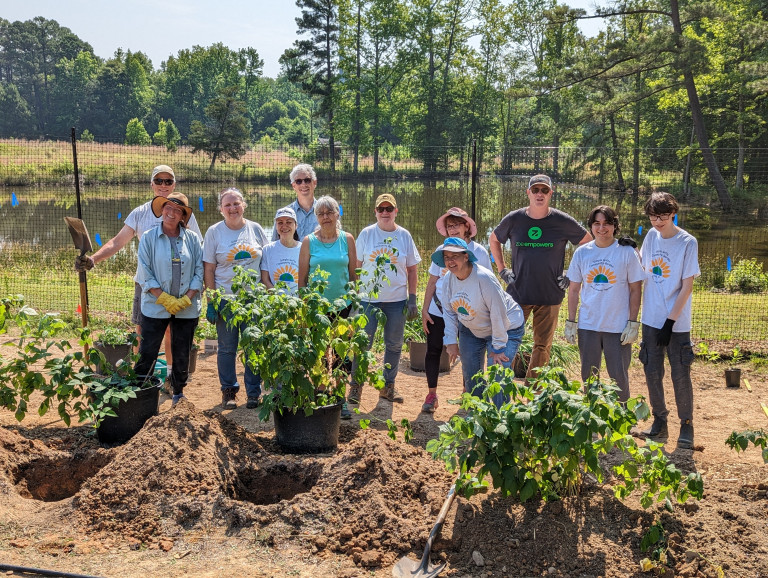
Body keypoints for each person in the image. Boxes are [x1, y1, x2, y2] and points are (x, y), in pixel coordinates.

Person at [74, 165, 202, 377]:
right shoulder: (140, 213)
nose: (163, 185)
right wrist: (93, 259)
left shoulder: (184, 213)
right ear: (151, 184)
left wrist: (197, 286)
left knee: (172, 329)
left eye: (168, 181)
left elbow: (197, 247)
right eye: (159, 181)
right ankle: (141, 374)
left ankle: (171, 375)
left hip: (179, 283)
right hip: (147, 282)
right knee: (142, 328)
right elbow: (117, 241)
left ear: (174, 184)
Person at [490, 174, 591, 378]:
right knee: (508, 339)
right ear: (528, 193)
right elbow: (494, 240)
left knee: (542, 346)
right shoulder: (515, 218)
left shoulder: (562, 220)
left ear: (550, 194)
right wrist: (502, 269)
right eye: (535, 190)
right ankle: (501, 387)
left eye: (544, 190)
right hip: (518, 293)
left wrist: (572, 274)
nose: (539, 194)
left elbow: (588, 242)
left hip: (550, 295)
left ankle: (534, 393)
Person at [638, 192, 699, 450]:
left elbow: (687, 286)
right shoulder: (651, 236)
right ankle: (659, 421)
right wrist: (630, 249)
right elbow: (644, 266)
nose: (657, 221)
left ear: (673, 213)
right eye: (653, 216)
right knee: (652, 371)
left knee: (680, 374)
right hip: (651, 318)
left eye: (662, 216)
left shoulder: (687, 242)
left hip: (676, 322)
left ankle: (686, 425)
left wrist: (670, 322)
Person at [565, 206, 644, 402]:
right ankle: (592, 419)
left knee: (618, 376)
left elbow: (636, 289)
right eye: (597, 223)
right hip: (589, 325)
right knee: (589, 376)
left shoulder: (626, 252)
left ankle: (622, 419)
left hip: (617, 326)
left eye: (607, 223)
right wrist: (571, 322)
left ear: (615, 225)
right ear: (591, 227)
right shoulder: (582, 253)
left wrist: (633, 323)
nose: (602, 228)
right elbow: (573, 290)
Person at [438, 238, 525, 408]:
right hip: (471, 329)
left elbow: (498, 313)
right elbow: (448, 311)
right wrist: (450, 341)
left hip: (506, 327)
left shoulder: (483, 278)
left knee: (498, 374)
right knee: (472, 376)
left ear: (466, 257)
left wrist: (498, 347)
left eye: (454, 256)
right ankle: (479, 416)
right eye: (446, 257)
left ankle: (502, 420)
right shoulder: (449, 278)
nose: (450, 261)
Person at [134, 192, 203, 407]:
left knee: (182, 351)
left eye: (177, 211)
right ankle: (141, 394)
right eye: (168, 208)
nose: (171, 213)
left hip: (186, 307)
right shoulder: (148, 237)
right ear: (162, 210)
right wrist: (162, 297)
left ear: (183, 216)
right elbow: (145, 270)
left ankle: (178, 394)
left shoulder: (192, 239)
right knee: (148, 351)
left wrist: (187, 298)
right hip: (155, 306)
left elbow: (199, 270)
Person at [351, 193, 421, 405]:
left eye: (388, 209)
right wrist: (356, 297)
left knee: (394, 345)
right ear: (375, 212)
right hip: (369, 301)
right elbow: (357, 267)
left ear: (395, 211)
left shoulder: (404, 236)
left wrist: (412, 299)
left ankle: (387, 386)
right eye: (380, 209)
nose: (384, 213)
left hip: (396, 301)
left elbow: (412, 270)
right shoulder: (367, 234)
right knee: (363, 344)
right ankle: (356, 387)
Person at [421, 207, 492, 413]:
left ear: (467, 227)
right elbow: (433, 281)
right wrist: (425, 309)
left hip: (467, 309)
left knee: (469, 353)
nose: (453, 229)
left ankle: (467, 392)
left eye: (457, 225)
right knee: (433, 350)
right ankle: (432, 394)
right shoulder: (440, 250)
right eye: (449, 226)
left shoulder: (479, 252)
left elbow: (487, 283)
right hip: (439, 308)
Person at [203, 187, 268, 410]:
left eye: (236, 203)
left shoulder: (256, 229)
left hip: (253, 299)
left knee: (253, 346)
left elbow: (266, 263)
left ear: (244, 205)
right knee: (227, 347)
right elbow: (209, 269)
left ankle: (253, 392)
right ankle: (229, 391)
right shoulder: (214, 232)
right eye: (228, 205)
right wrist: (212, 301)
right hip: (226, 299)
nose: (233, 208)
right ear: (221, 209)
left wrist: (266, 295)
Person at [298, 195, 357, 419]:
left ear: (337, 214)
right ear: (317, 217)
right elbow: (301, 279)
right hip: (317, 308)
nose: (326, 217)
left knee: (342, 355)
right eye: (321, 213)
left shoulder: (347, 239)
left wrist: (354, 306)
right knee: (320, 354)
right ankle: (322, 397)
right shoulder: (308, 241)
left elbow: (353, 276)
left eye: (329, 212)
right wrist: (306, 309)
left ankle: (340, 400)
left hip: (343, 306)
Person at [272, 164, 320, 242]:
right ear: (293, 186)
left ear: (314, 183)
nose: (303, 184)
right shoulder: (283, 214)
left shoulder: (326, 212)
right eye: (299, 181)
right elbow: (275, 243)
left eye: (307, 180)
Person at [261, 207, 301, 294]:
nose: (284, 226)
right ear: (276, 226)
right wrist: (278, 299)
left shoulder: (304, 249)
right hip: (275, 303)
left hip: (299, 304)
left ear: (296, 225)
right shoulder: (267, 250)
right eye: (280, 223)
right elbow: (265, 279)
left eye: (289, 222)